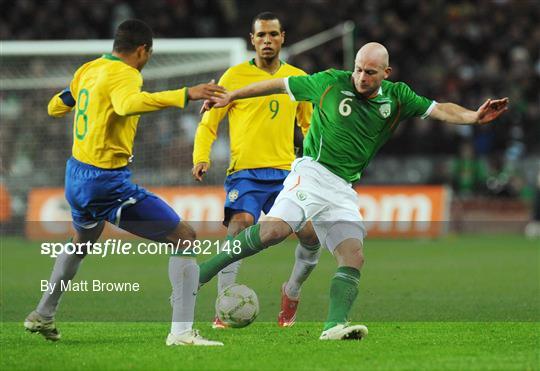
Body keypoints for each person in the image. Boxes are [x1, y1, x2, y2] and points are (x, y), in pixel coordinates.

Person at [198, 42, 509, 340]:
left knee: (353, 256)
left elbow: (439, 109)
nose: (362, 77)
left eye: (371, 72)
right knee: (273, 232)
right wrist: (232, 95)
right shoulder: (330, 82)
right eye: (359, 69)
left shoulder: (399, 97)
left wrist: (473, 116)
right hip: (311, 173)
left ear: (387, 73)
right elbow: (278, 85)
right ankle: (201, 273)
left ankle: (334, 325)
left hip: (342, 189)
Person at [24, 19, 225, 346]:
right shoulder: (127, 74)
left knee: (81, 242)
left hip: (75, 176)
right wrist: (186, 93)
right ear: (143, 50)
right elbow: (127, 104)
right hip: (106, 182)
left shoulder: (91, 69)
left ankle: (43, 314)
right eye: (148, 54)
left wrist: (84, 100)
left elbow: (55, 106)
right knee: (185, 237)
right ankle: (182, 333)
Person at [192, 11, 319, 328]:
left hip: (286, 174)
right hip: (245, 173)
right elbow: (210, 121)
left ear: (282, 37)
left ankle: (291, 291)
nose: (266, 40)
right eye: (261, 35)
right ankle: (223, 307)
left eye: (272, 34)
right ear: (252, 40)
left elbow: (310, 124)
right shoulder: (233, 77)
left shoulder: (297, 79)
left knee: (311, 237)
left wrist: (319, 161)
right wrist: (201, 156)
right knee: (240, 226)